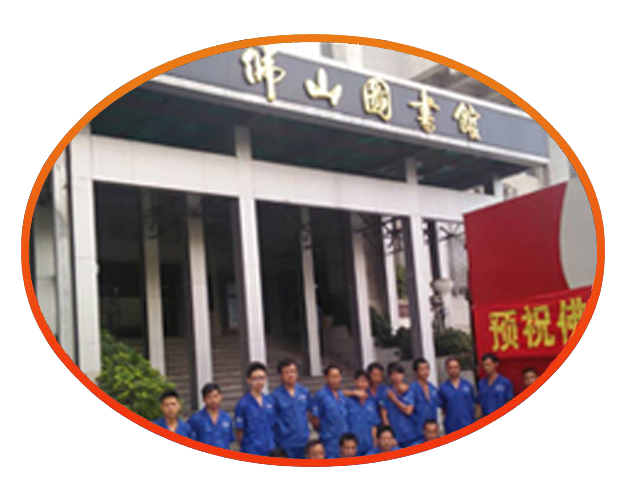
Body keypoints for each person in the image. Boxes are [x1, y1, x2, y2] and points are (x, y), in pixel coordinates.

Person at [271, 358, 312, 458]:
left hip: (303, 441)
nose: (290, 375)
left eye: (293, 372)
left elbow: (309, 412)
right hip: (285, 442)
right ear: (281, 375)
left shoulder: (304, 392)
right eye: (286, 372)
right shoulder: (275, 396)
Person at [234, 362, 276, 456]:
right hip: (252, 450)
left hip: (270, 448)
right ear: (249, 380)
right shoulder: (243, 404)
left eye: (262, 378)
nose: (259, 382)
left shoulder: (270, 401)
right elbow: (239, 431)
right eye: (255, 379)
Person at [311, 364, 349, 459]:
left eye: (337, 377)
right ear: (326, 378)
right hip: (329, 440)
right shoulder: (321, 396)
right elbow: (315, 420)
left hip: (343, 439)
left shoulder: (341, 395)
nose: (335, 380)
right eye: (332, 377)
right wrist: (325, 431)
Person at [187, 383, 234, 449]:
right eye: (209, 397)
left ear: (221, 397)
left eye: (215, 396)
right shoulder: (196, 419)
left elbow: (230, 439)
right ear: (204, 399)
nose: (213, 400)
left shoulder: (227, 418)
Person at [382, 362, 417, 448]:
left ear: (403, 375)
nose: (397, 377)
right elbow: (384, 418)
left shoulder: (409, 391)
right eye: (394, 374)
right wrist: (390, 437)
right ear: (390, 376)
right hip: (394, 436)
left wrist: (394, 399)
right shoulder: (386, 392)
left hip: (409, 434)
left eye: (399, 373)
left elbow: (408, 411)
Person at [345, 370, 380, 455]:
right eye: (361, 381)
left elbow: (374, 424)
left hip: (369, 444)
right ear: (355, 381)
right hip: (352, 446)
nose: (363, 384)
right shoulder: (347, 400)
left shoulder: (371, 401)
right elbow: (338, 394)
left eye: (365, 382)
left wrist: (375, 442)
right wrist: (353, 393)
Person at [438, 357, 476, 434]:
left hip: (468, 425)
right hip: (451, 427)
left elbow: (474, 404)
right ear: (447, 369)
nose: (453, 370)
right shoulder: (443, 388)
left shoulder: (467, 385)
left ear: (459, 368)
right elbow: (443, 409)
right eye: (451, 367)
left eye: (455, 367)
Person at [410, 357, 440, 442]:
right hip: (418, 431)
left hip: (433, 432)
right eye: (422, 369)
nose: (425, 372)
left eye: (427, 368)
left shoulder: (433, 389)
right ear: (416, 372)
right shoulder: (412, 390)